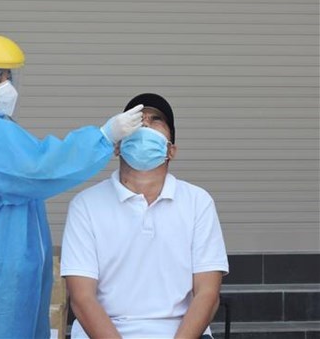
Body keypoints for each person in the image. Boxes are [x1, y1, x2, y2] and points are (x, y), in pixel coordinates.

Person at [0, 29, 145, 339]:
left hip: (12, 265)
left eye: (9, 78)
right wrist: (103, 136)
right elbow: (40, 169)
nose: (7, 88)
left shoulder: (0, 129)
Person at [61, 93, 229, 339]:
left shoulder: (198, 202)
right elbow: (82, 298)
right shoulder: (86, 205)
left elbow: (208, 293)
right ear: (117, 146)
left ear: (171, 151)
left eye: (156, 119)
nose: (146, 124)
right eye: (137, 120)